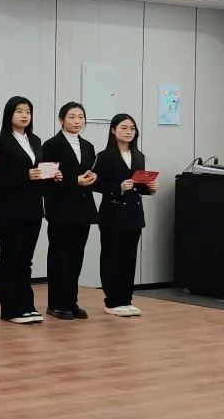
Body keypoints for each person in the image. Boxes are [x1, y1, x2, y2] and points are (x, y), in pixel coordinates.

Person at [0, 96, 60, 325]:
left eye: (28, 111)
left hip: (33, 207)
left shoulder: (35, 140)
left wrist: (51, 175)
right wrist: (25, 175)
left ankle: (26, 304)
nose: (24, 115)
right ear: (9, 114)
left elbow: (38, 171)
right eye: (19, 111)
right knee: (10, 257)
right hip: (9, 208)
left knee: (26, 259)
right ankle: (10, 308)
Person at [92, 113, 158, 317]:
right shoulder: (105, 156)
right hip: (112, 213)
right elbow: (95, 183)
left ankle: (126, 299)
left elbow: (139, 186)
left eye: (132, 128)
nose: (129, 132)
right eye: (124, 128)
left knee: (129, 258)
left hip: (133, 213)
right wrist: (118, 187)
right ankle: (112, 300)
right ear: (113, 130)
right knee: (112, 256)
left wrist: (151, 188)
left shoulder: (138, 156)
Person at [42, 102, 99, 320]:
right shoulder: (51, 145)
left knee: (76, 256)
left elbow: (89, 172)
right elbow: (48, 179)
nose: (77, 121)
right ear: (61, 120)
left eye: (80, 117)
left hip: (83, 209)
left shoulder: (88, 146)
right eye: (72, 117)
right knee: (60, 257)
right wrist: (74, 181)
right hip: (61, 208)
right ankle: (56, 303)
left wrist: (93, 177)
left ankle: (71, 301)